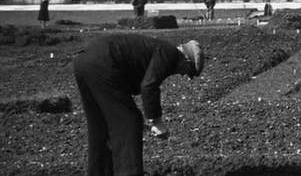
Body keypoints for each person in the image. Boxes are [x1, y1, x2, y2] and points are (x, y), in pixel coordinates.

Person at [73, 34, 204, 176]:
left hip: (83, 61)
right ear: (186, 59)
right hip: (103, 62)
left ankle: (99, 172)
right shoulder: (170, 53)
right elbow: (149, 85)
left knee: (100, 124)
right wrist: (156, 121)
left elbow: (130, 85)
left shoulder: (158, 49)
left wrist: (143, 120)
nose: (184, 74)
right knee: (129, 121)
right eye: (189, 71)